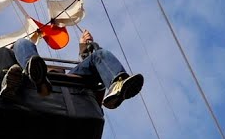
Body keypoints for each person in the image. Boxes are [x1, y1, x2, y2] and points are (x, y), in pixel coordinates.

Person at [13, 29, 144, 110]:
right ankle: (34, 72)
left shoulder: (67, 78)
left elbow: (90, 69)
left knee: (100, 54)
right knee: (21, 43)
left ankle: (117, 85)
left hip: (67, 87)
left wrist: (84, 47)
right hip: (39, 85)